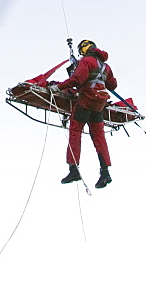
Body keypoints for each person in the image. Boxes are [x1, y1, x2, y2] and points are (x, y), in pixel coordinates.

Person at [50, 39, 117, 188]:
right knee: (99, 136)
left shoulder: (86, 61)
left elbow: (77, 79)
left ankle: (74, 169)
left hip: (86, 100)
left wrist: (59, 87)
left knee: (75, 131)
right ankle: (105, 173)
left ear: (85, 49)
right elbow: (113, 85)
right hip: (99, 104)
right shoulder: (106, 66)